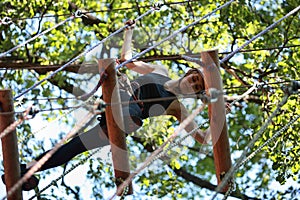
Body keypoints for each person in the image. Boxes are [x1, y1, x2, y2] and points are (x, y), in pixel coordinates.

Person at [1, 20, 210, 191]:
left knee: (73, 148)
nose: (192, 84)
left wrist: (218, 116)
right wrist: (129, 33)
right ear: (189, 73)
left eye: (197, 86)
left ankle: (26, 171)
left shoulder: (177, 107)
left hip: (126, 120)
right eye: (194, 79)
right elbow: (128, 61)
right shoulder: (159, 72)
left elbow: (201, 138)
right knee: (122, 84)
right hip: (118, 98)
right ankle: (25, 169)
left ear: (196, 93)